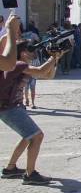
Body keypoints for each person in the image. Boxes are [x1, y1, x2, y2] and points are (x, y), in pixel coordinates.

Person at [0, 38, 64, 185]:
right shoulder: (18, 64)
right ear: (22, 53)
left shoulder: (21, 65)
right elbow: (41, 71)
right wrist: (52, 57)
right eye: (30, 49)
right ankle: (30, 175)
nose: (34, 52)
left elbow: (48, 76)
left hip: (12, 107)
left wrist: (55, 59)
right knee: (37, 136)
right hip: (9, 108)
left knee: (28, 136)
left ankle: (10, 169)